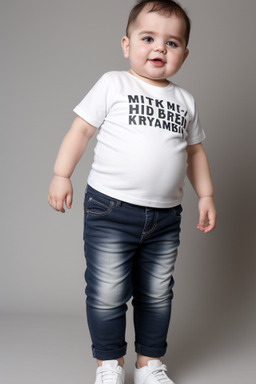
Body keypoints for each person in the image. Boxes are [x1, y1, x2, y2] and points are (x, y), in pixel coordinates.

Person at [48, 0, 217, 383]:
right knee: (107, 292)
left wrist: (206, 196)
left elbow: (195, 153)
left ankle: (148, 365)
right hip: (110, 209)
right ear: (127, 45)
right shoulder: (113, 83)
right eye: (148, 38)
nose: (159, 48)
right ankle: (109, 365)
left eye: (172, 43)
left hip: (164, 216)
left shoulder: (185, 101)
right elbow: (81, 131)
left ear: (184, 55)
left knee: (157, 294)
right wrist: (62, 174)